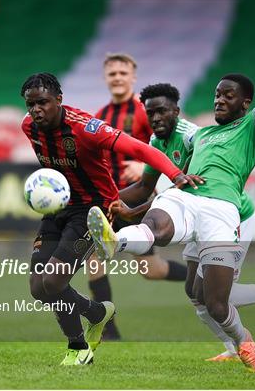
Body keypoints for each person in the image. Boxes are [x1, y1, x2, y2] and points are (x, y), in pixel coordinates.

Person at [88, 22, 255, 373]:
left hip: (224, 211)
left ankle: (244, 341)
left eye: (228, 95)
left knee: (215, 302)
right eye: (217, 94)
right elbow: (164, 182)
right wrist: (130, 202)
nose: (220, 99)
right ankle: (114, 242)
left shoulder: (253, 124)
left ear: (245, 102)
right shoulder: (202, 135)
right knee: (156, 226)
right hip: (187, 199)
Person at [109, 82, 255, 362]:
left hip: (235, 213)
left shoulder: (192, 136)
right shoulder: (160, 141)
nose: (155, 118)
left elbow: (187, 184)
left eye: (161, 111)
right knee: (195, 293)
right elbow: (155, 188)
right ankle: (235, 346)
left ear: (176, 111)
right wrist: (100, 200)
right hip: (195, 205)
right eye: (150, 113)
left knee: (215, 296)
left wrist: (133, 213)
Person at [20, 72, 195, 365]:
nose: (36, 110)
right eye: (30, 105)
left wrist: (175, 175)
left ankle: (78, 348)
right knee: (38, 288)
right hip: (58, 208)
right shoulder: (29, 127)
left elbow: (140, 149)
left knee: (53, 281)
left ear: (59, 100)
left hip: (93, 210)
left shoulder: (86, 128)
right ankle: (97, 312)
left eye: (43, 103)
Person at [87, 53, 188, 341]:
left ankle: (199, 274)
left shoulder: (147, 111)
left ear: (133, 77)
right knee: (93, 258)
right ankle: (108, 327)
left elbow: (168, 143)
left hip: (138, 199)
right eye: (112, 73)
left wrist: (142, 164)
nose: (117, 77)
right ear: (106, 78)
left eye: (123, 72)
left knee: (151, 270)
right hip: (109, 200)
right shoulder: (100, 116)